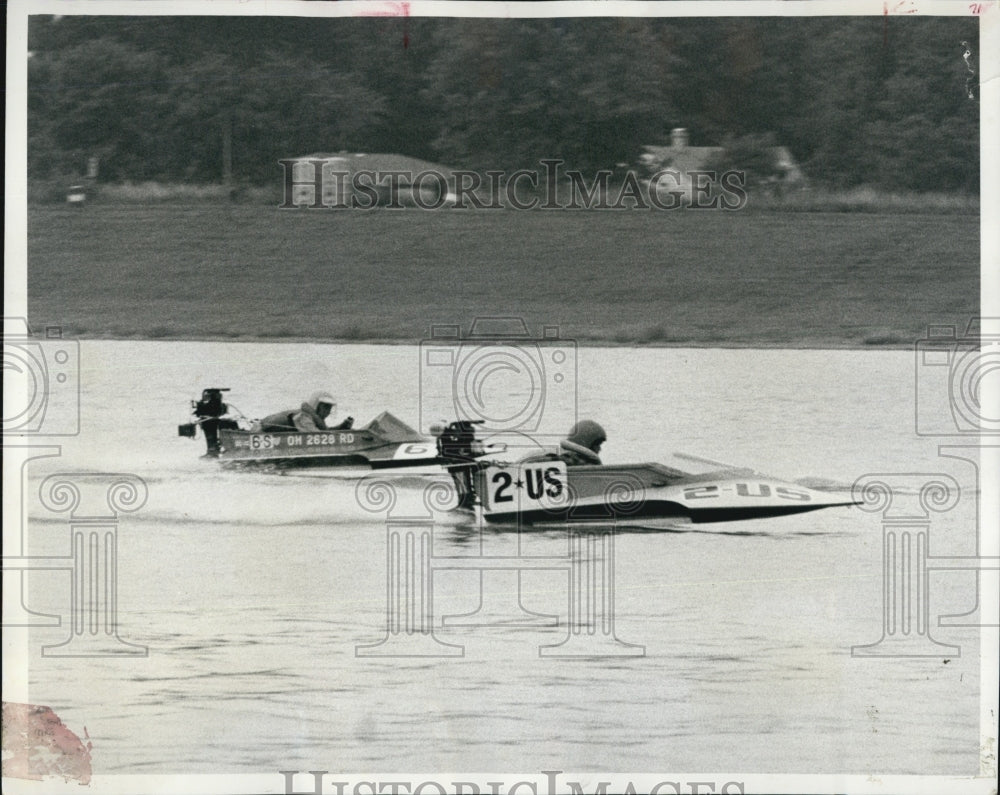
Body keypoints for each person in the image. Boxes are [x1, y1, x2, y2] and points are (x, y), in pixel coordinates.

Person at [521, 419, 606, 466]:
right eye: (597, 445)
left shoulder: (560, 451)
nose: (599, 449)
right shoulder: (576, 460)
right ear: (587, 443)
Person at [259, 391, 354, 433]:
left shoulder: (311, 419)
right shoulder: (303, 417)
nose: (328, 411)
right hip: (259, 432)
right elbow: (316, 437)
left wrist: (342, 427)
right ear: (316, 405)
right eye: (325, 407)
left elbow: (324, 432)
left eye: (329, 408)